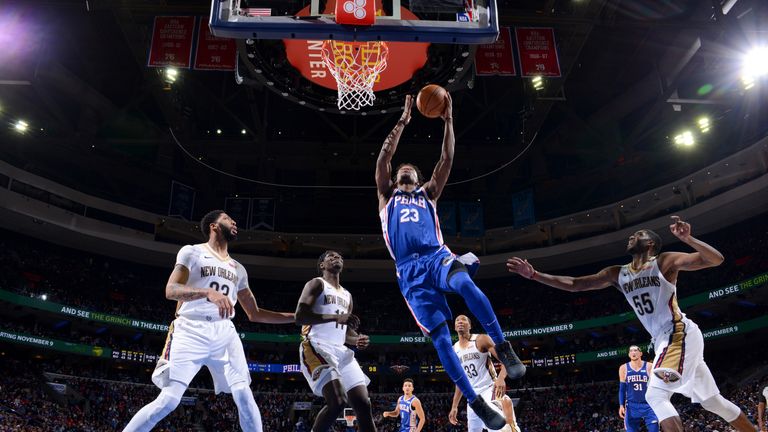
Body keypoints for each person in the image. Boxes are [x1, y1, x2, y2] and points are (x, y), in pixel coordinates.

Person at [506, 216, 757, 432]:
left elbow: (716, 260)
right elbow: (575, 284)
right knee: (712, 402)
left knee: (655, 394)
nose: (631, 237)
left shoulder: (663, 261)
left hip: (678, 333)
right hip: (663, 340)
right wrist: (535, 275)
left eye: (637, 235)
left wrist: (689, 239)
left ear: (649, 243)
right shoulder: (617, 273)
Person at [375, 93, 524, 430]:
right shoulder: (386, 197)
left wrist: (449, 119)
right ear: (397, 177)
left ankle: (504, 345)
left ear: (419, 176)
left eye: (411, 168)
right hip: (409, 273)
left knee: (464, 283)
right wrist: (402, 121)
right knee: (441, 340)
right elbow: (385, 157)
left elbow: (447, 157)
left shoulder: (428, 194)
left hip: (436, 256)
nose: (406, 168)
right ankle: (475, 402)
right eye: (402, 168)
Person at [123, 210, 295, 432]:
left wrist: (295, 317)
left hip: (224, 332)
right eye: (227, 219)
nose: (234, 222)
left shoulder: (239, 269)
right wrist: (207, 293)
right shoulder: (192, 252)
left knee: (243, 393)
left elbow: (255, 313)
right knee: (168, 401)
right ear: (214, 226)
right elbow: (171, 290)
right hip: (190, 328)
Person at [295, 250, 376, 432]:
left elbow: (345, 332)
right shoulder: (317, 284)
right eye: (330, 256)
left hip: (340, 350)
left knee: (363, 405)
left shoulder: (347, 295)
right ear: (322, 265)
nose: (336, 258)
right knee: (338, 402)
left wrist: (356, 340)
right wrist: (334, 317)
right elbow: (300, 316)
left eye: (339, 256)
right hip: (315, 346)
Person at [449, 315, 520, 432]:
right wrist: (454, 406)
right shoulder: (454, 349)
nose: (460, 322)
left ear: (470, 325)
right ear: (455, 327)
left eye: (464, 320)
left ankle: (511, 424)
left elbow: (506, 361)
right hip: (472, 397)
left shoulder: (481, 339)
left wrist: (501, 378)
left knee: (500, 428)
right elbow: (460, 380)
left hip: (489, 389)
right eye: (457, 320)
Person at [618, 345, 659, 432]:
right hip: (631, 406)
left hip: (649, 405)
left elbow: (656, 386)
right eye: (631, 351)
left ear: (640, 353)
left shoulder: (650, 366)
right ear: (629, 354)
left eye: (636, 350)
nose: (633, 352)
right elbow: (622, 389)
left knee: (654, 429)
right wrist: (621, 405)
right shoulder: (623, 368)